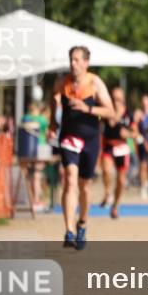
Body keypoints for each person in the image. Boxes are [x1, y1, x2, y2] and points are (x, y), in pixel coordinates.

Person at [50, 46, 115, 250]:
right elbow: (53, 98)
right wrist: (53, 121)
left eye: (78, 60)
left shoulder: (95, 83)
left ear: (86, 62)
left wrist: (87, 108)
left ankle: (82, 223)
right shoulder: (63, 83)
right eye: (71, 59)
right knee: (70, 180)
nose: (73, 64)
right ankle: (69, 231)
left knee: (84, 186)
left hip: (90, 139)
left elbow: (110, 112)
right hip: (69, 136)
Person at [100, 86, 132, 218]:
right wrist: (116, 111)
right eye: (113, 98)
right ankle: (108, 193)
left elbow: (136, 133)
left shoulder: (129, 114)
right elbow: (112, 123)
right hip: (108, 146)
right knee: (106, 171)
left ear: (123, 98)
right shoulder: (108, 111)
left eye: (118, 98)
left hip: (122, 148)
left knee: (121, 181)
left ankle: (115, 207)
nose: (116, 101)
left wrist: (128, 133)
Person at [20, 101, 49, 212]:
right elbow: (46, 132)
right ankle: (36, 200)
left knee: (28, 175)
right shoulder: (42, 120)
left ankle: (29, 199)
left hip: (26, 149)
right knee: (37, 175)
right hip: (39, 149)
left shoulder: (25, 118)